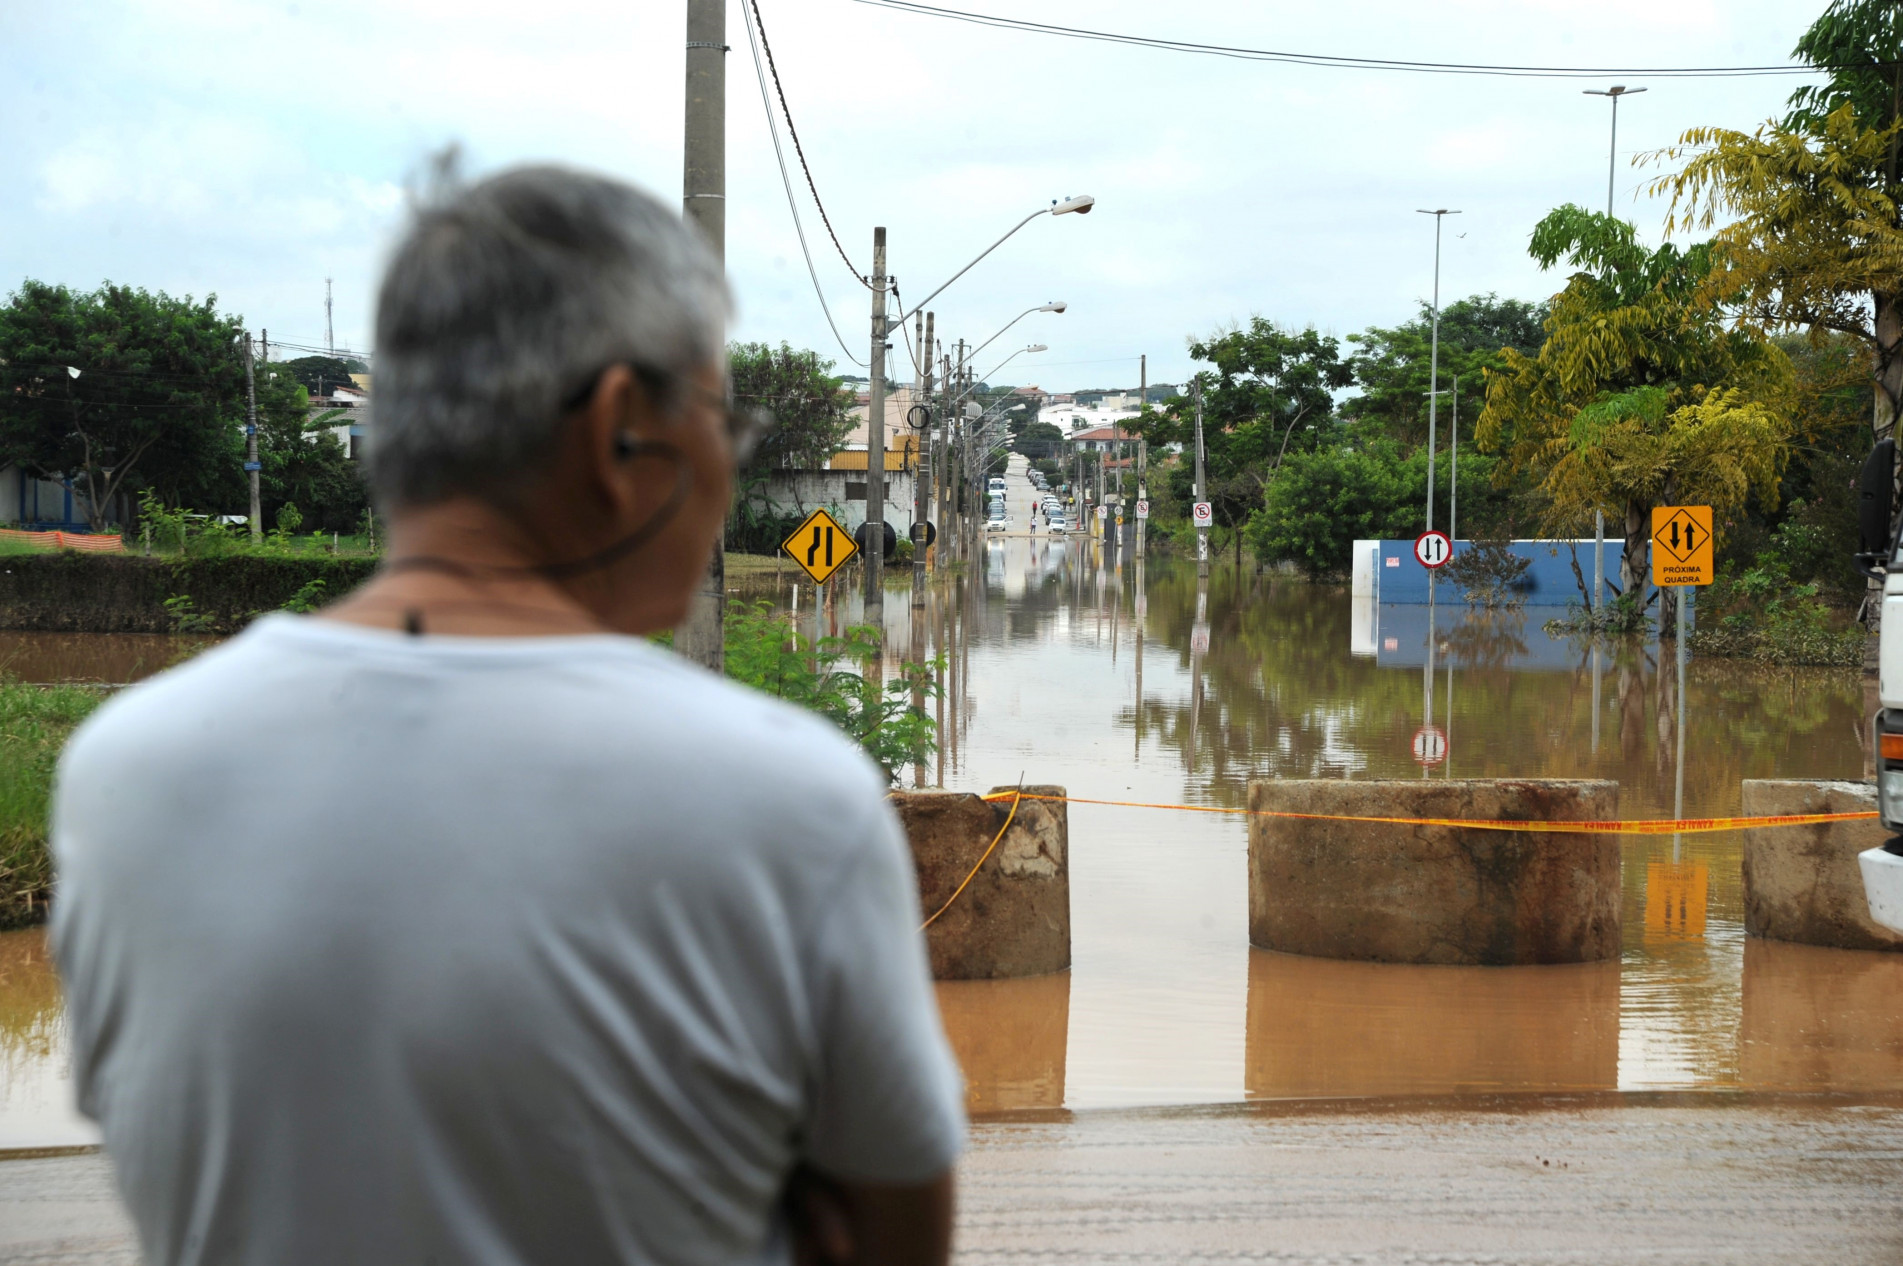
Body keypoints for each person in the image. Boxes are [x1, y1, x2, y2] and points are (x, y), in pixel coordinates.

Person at [52, 163, 964, 1265]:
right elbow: (893, 1234)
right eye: (721, 420)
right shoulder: (788, 800)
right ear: (621, 430)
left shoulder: (127, 769)